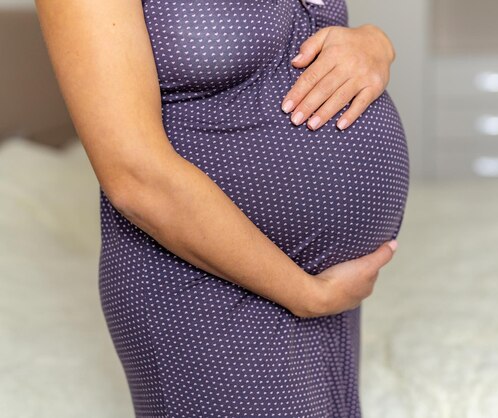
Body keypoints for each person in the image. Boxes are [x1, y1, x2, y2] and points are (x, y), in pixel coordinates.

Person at [35, 0, 410, 416]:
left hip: (327, 290)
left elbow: (298, 46)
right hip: (202, 284)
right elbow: (133, 175)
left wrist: (375, 43)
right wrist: (308, 295)